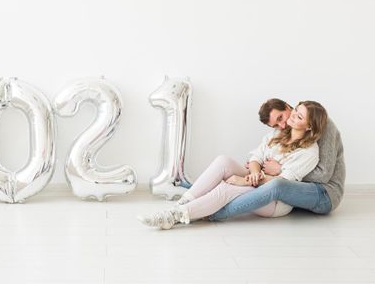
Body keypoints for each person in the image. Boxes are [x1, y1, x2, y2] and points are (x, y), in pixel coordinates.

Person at [139, 100, 328, 230]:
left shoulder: (309, 152)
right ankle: (184, 202)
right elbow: (256, 157)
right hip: (259, 180)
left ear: (310, 126)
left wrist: (245, 180)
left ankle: (173, 217)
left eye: (300, 117)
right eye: (296, 111)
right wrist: (253, 174)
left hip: (276, 201)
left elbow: (283, 185)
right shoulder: (278, 135)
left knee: (227, 187)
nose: (292, 118)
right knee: (223, 161)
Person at [208, 98, 345, 222]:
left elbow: (323, 174)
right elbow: (262, 154)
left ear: (287, 107)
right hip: (291, 187)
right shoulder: (289, 128)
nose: (282, 126)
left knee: (274, 184)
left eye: (281, 118)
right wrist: (259, 166)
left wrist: (281, 170)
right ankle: (200, 202)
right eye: (275, 126)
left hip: (324, 192)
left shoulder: (323, 123)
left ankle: (214, 212)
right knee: (229, 167)